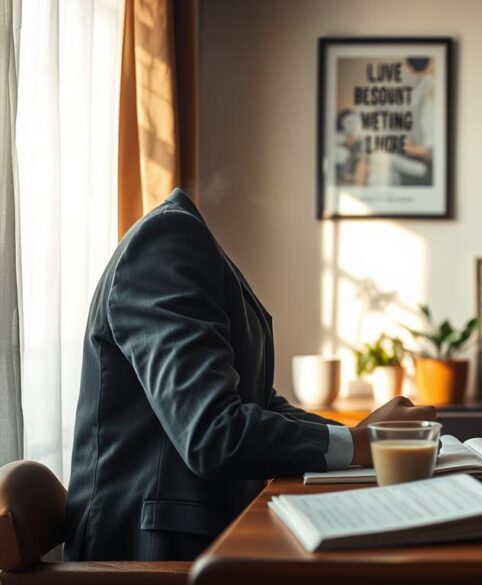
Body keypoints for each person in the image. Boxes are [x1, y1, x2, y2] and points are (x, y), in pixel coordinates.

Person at [64, 189, 436, 561]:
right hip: (151, 556)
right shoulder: (168, 238)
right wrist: (357, 443)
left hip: (196, 543)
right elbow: (212, 432)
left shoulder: (186, 241)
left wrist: (356, 438)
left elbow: (258, 402)